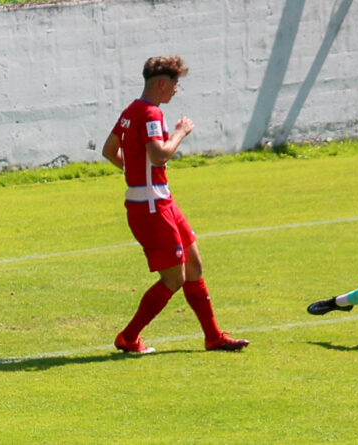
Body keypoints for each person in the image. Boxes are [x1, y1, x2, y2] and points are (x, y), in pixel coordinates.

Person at [101, 55, 249, 353]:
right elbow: (159, 155)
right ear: (162, 83)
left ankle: (213, 337)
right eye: (175, 85)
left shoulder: (132, 109)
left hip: (161, 200)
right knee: (174, 278)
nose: (176, 91)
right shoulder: (152, 113)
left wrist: (136, 176)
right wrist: (181, 131)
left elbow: (109, 150)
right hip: (152, 207)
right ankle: (128, 338)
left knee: (194, 266)